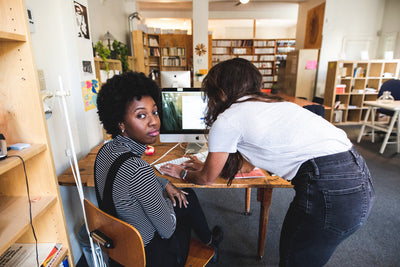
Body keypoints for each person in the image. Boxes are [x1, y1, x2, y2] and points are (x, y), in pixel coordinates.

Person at [160, 58, 375, 266]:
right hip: (359, 179)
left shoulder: (228, 119)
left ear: (219, 91)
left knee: (294, 259)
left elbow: (206, 180)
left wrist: (184, 173)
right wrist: (208, 166)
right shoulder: (277, 105)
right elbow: (248, 165)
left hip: (330, 191)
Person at [95, 71, 223, 266]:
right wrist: (164, 202)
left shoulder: (105, 151)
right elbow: (167, 229)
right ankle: (210, 245)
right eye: (141, 115)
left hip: (120, 250)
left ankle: (210, 241)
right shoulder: (138, 169)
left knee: (181, 195)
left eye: (154, 112)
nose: (153, 121)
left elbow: (130, 180)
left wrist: (164, 184)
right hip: (152, 256)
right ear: (121, 123)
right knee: (186, 200)